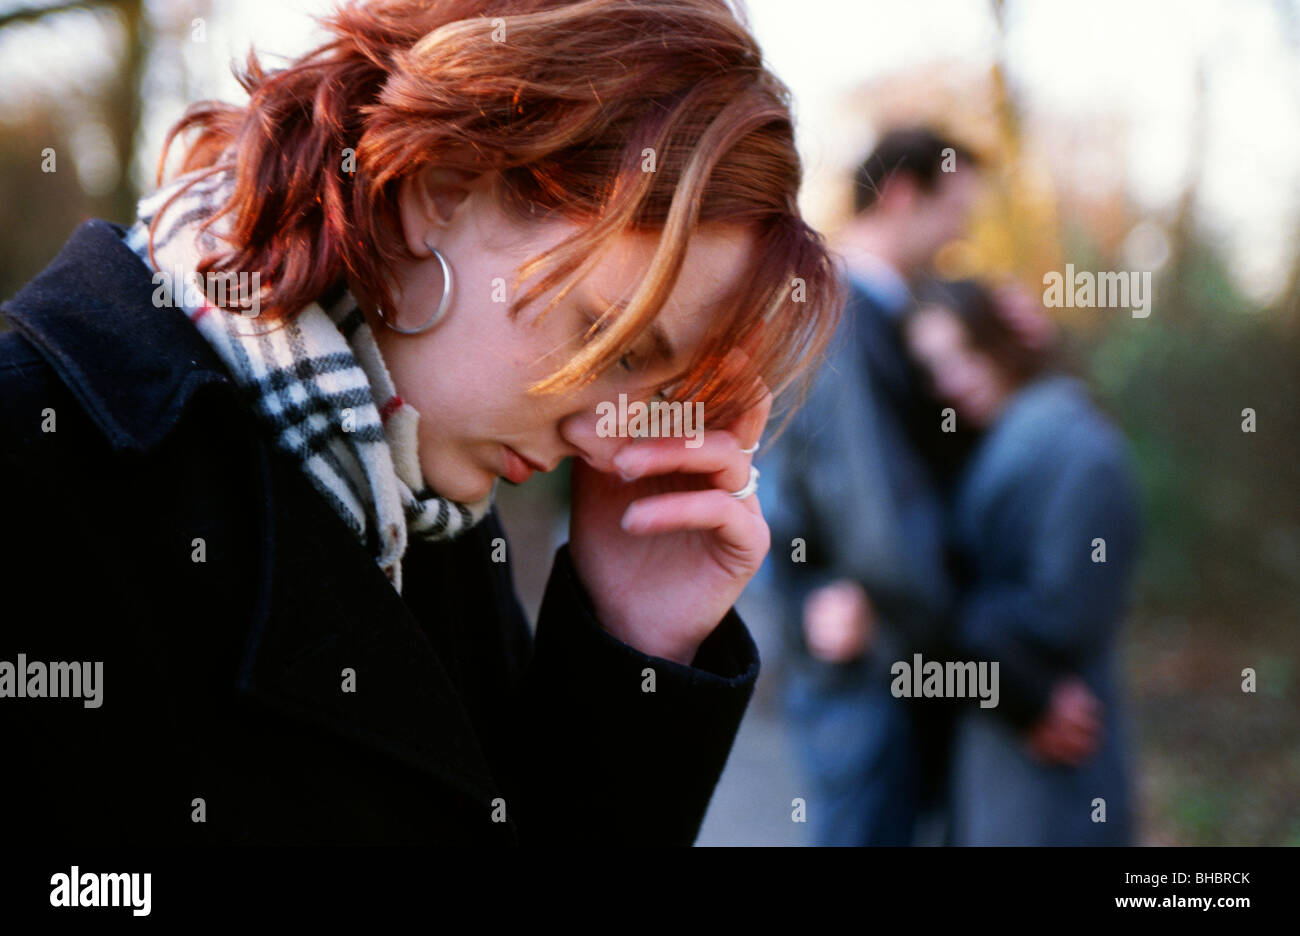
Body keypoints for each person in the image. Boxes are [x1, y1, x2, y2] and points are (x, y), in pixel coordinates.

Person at [0, 0, 843, 845]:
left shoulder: (418, 509)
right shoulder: (34, 458)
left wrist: (636, 645)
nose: (607, 439)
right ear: (439, 189)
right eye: (605, 335)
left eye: (654, 389)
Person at [760, 127, 983, 845]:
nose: (962, 234)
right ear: (901, 194)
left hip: (872, 647)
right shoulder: (846, 316)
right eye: (954, 212)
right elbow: (876, 510)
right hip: (873, 663)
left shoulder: (878, 311)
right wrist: (987, 660)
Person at [903, 279, 1140, 845]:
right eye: (934, 367)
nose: (950, 382)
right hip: (1009, 731)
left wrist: (947, 613)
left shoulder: (1076, 446)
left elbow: (1063, 615)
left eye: (962, 354)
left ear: (998, 339)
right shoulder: (1002, 434)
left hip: (1054, 740)